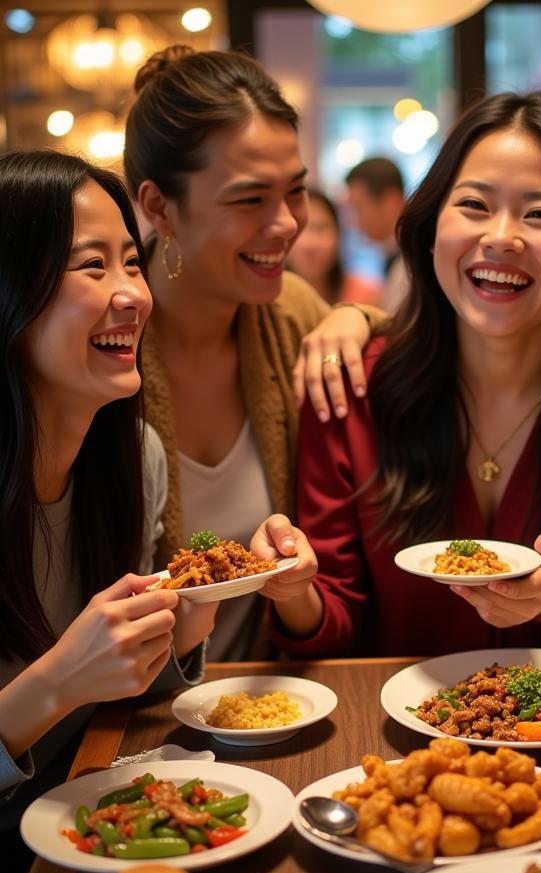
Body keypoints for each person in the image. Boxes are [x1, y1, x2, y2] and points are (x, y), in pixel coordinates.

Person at [269, 91, 541, 658]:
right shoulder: (351, 384)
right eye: (473, 204)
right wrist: (292, 591)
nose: (500, 237)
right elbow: (337, 617)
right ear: (431, 228)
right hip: (393, 736)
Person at [0, 151, 215, 873]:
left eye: (132, 260)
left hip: (86, 833)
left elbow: (110, 705)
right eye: (92, 266)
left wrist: (183, 631)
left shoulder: (135, 459)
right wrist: (55, 681)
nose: (134, 293)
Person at [123, 47, 381, 660]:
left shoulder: (292, 316)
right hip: (133, 717)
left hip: (275, 703)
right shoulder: (104, 346)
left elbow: (412, 336)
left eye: (295, 191)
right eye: (249, 200)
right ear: (159, 207)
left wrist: (357, 317)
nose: (288, 224)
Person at [287, 189, 384, 308]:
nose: (310, 243)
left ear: (338, 234)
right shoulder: (269, 299)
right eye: (300, 230)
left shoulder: (366, 295)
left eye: (320, 228)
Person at [345, 156, 408, 312]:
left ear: (390, 202)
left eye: (358, 209)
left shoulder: (416, 260)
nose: (354, 222)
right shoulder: (393, 254)